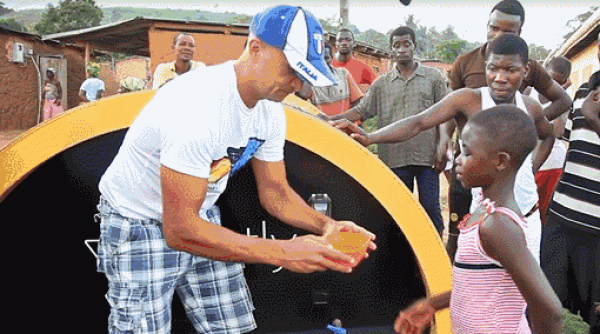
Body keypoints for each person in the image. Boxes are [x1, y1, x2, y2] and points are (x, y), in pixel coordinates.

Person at [95, 5, 376, 334]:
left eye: (306, 73)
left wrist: (327, 225)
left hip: (199, 215)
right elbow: (179, 229)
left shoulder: (270, 110)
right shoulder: (197, 105)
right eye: (292, 69)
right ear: (255, 48)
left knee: (233, 327)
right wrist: (283, 251)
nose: (298, 83)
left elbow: (276, 193)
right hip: (139, 222)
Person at [332, 33, 554, 263]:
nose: (500, 78)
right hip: (484, 220)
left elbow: (547, 136)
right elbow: (418, 122)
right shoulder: (469, 101)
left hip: (526, 220)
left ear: (526, 70)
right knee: (479, 288)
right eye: (493, 69)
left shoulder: (530, 108)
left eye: (511, 70)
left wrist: (528, 168)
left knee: (522, 295)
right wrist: (370, 137)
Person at [393, 105, 563, 334]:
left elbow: (549, 310)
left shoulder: (498, 225)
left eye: (467, 152)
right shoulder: (484, 212)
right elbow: (478, 286)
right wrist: (433, 304)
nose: (458, 160)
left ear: (501, 161)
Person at [444, 0, 572, 259]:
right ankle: (459, 284)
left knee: (507, 235)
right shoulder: (465, 62)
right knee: (460, 230)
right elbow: (447, 109)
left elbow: (562, 101)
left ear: (520, 33)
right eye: (494, 28)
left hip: (506, 171)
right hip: (469, 162)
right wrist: (443, 140)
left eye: (508, 32)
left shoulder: (528, 65)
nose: (498, 36)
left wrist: (522, 125)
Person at [321, 26, 449, 235]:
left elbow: (445, 113)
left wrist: (443, 142)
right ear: (391, 50)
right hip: (394, 157)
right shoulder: (382, 84)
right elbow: (362, 110)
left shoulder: (433, 77)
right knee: (399, 213)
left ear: (414, 46)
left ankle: (435, 260)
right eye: (396, 46)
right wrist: (329, 119)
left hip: (426, 157)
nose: (401, 50)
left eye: (406, 44)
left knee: (431, 210)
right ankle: (405, 260)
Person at [541, 70, 600, 333]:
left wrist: (592, 116)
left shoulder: (588, 104)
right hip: (561, 218)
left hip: (596, 231)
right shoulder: (585, 92)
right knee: (548, 305)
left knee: (593, 317)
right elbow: (566, 138)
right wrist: (560, 98)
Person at [524, 56, 572, 226]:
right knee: (525, 210)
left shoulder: (564, 99)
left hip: (553, 165)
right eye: (551, 78)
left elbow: (558, 132)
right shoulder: (529, 93)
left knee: (543, 213)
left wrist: (560, 95)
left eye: (560, 81)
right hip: (530, 162)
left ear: (566, 81)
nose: (555, 84)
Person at [296, 40, 363, 116]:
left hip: (343, 124)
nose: (323, 62)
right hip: (322, 125)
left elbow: (357, 101)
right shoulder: (310, 79)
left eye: (326, 58)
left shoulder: (344, 74)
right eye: (319, 59)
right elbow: (300, 100)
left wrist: (351, 119)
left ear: (332, 57)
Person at [331, 27, 377, 93]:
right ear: (336, 44)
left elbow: (379, 90)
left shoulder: (362, 67)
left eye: (348, 40)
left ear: (353, 43)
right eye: (340, 40)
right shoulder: (327, 65)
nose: (344, 43)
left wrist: (365, 91)